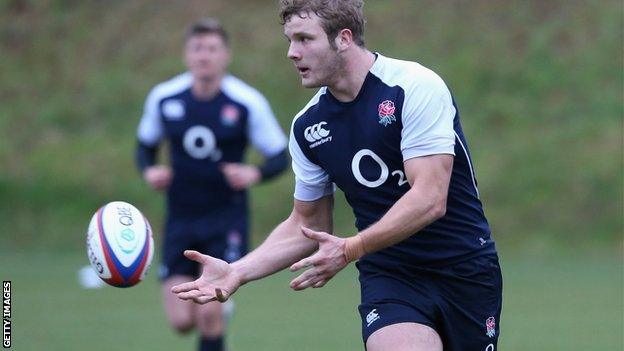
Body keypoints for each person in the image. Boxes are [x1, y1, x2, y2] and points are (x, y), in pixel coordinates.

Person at [171, 2, 503, 350]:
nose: (291, 52)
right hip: (391, 274)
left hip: (464, 268)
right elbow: (306, 223)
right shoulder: (308, 126)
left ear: (343, 38)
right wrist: (238, 270)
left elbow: (430, 198)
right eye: (289, 40)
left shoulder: (414, 87)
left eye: (303, 39)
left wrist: (351, 248)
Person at [135, 18, 289, 351]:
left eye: (212, 49)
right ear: (187, 55)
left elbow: (279, 155)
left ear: (226, 55)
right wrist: (150, 170)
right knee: (181, 321)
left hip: (226, 221)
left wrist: (254, 173)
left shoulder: (246, 102)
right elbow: (145, 145)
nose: (205, 56)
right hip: (180, 219)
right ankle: (218, 309)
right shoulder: (165, 97)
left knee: (209, 315)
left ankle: (219, 310)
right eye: (198, 48)